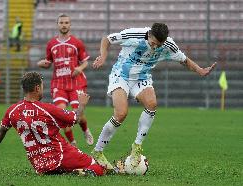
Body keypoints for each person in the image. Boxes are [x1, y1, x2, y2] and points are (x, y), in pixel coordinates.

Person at [91, 23, 217, 170]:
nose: (156, 47)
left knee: (152, 104)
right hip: (121, 75)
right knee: (121, 114)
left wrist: (200, 70)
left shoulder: (168, 44)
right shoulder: (134, 34)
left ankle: (136, 147)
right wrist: (103, 56)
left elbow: (184, 60)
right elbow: (107, 39)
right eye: (153, 43)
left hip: (142, 77)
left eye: (159, 45)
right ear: (149, 35)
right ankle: (98, 152)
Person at [0, 71, 105, 176]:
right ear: (37, 88)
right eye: (41, 86)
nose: (42, 89)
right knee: (98, 167)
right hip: (60, 156)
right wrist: (82, 104)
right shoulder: (47, 109)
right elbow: (75, 118)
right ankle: (79, 172)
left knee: (64, 166)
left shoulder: (12, 111)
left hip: (40, 165)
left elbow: (0, 131)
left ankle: (68, 170)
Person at [37, 14, 93, 147]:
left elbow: (85, 62)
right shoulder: (51, 44)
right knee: (62, 115)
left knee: (77, 115)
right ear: (57, 24)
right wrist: (42, 63)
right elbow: (49, 62)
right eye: (61, 22)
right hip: (59, 84)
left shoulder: (76, 43)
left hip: (75, 84)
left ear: (70, 25)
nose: (64, 25)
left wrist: (79, 68)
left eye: (66, 22)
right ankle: (73, 143)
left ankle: (85, 130)